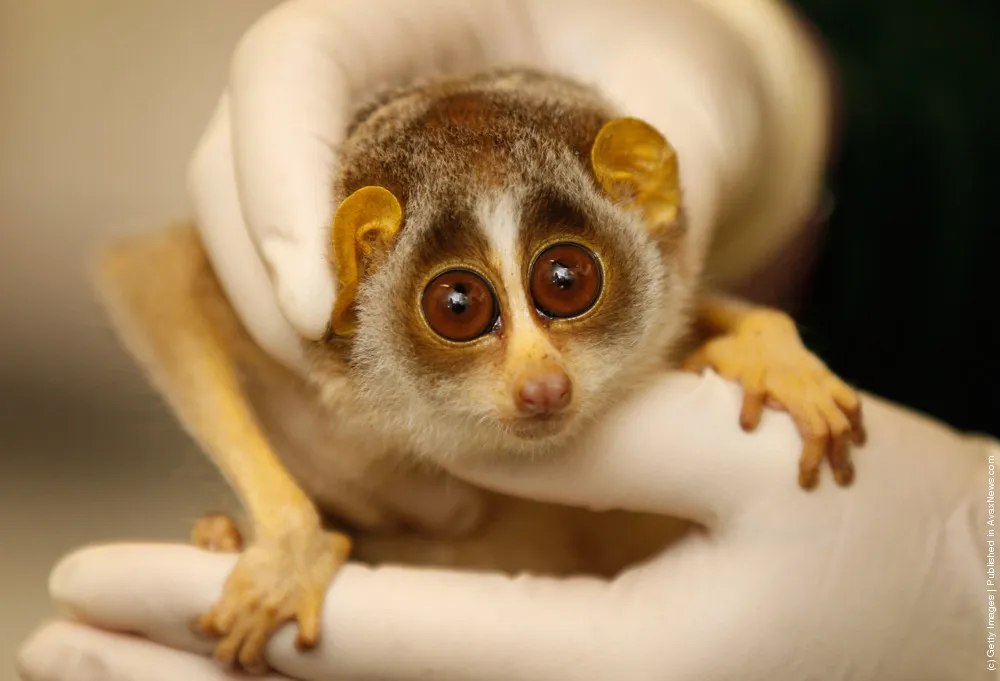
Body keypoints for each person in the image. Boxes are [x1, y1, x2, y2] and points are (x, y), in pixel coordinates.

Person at [15, 1, 995, 679]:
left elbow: (684, 314)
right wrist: (284, 521)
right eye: (458, 310)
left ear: (644, 199)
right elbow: (147, 277)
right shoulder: (339, 304)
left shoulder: (660, 274)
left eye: (566, 284)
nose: (536, 374)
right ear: (362, 265)